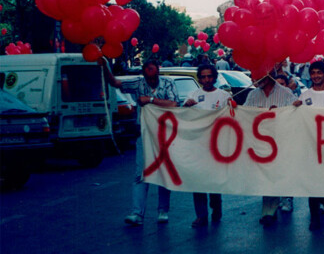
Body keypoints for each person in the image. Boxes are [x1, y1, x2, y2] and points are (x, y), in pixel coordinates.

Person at [102, 59, 179, 226]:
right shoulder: (138, 83)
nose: (151, 80)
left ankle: (163, 210)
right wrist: (105, 66)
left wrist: (150, 100)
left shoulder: (168, 83)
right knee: (140, 174)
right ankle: (137, 213)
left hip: (164, 135)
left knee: (164, 173)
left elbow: (173, 104)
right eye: (147, 76)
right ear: (144, 74)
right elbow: (115, 82)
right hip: (143, 134)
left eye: (153, 76)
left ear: (158, 71)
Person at [293, 61, 324, 231]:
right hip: (310, 148)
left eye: (318, 73)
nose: (315, 76)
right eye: (312, 73)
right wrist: (294, 110)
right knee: (312, 183)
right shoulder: (304, 95)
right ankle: (314, 217)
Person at [244, 70, 298, 228]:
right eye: (255, 75)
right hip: (261, 143)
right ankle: (268, 211)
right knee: (265, 175)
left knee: (279, 173)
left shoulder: (286, 93)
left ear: (269, 75)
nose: (256, 78)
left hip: (281, 141)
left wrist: (290, 109)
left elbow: (296, 114)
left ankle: (285, 198)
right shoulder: (253, 95)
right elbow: (245, 114)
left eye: (259, 74)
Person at [183, 64, 232, 228]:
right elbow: (184, 117)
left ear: (215, 77)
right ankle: (201, 215)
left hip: (217, 145)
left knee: (214, 179)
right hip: (197, 144)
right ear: (199, 78)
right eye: (203, 77)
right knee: (198, 180)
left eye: (209, 76)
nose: (206, 80)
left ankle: (216, 205)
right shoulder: (193, 95)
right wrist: (186, 107)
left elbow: (232, 117)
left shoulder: (224, 95)